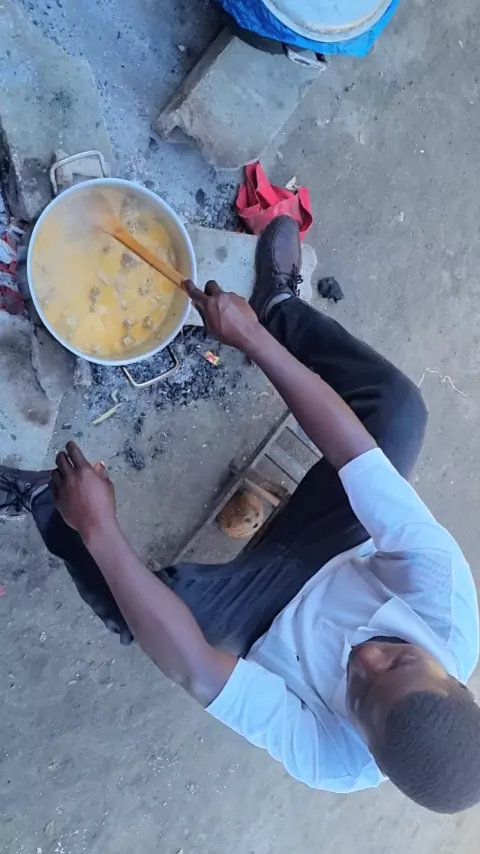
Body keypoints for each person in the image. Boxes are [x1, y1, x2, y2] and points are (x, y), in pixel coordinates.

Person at [2, 216, 480, 812]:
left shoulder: (334, 760)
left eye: (359, 695)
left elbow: (198, 670)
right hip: (336, 542)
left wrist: (99, 527)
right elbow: (358, 457)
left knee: (143, 612)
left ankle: (50, 502)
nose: (364, 660)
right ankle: (276, 309)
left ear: (370, 755)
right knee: (399, 413)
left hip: (260, 620)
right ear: (450, 674)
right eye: (399, 659)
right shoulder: (446, 605)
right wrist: (253, 339)